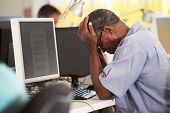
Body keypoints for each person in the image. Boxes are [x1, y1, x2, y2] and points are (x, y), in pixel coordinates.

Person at [78, 9, 170, 113]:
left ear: (109, 30)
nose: (102, 49)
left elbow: (104, 93)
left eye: (100, 44)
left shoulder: (132, 45)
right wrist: (96, 47)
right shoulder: (141, 36)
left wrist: (92, 48)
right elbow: (107, 79)